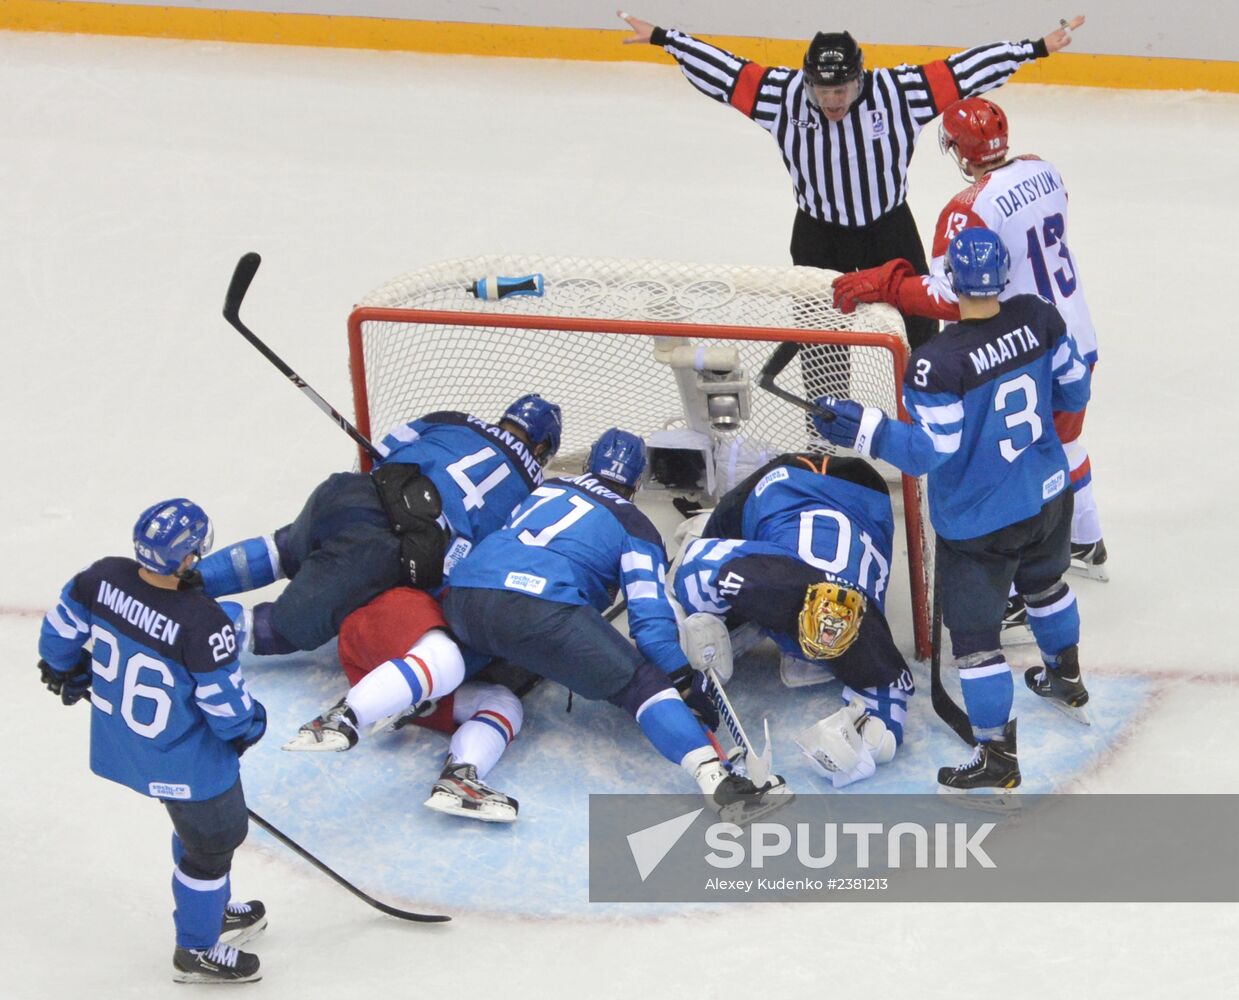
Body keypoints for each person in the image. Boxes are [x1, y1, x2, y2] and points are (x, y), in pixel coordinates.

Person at [618, 11, 1085, 351]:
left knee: (921, 329)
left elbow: (963, 70)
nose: (832, 101)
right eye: (823, 90)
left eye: (840, 89)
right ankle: (828, 432)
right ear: (808, 83)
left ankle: (922, 407)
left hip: (889, 229)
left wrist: (1034, 48)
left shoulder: (898, 93)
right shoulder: (783, 96)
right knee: (821, 339)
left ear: (859, 79)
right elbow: (728, 73)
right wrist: (665, 38)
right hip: (818, 238)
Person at [812, 228, 1091, 792]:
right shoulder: (1039, 317)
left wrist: (866, 428)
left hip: (981, 525)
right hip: (1049, 496)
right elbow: (1075, 393)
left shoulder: (937, 363)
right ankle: (1066, 678)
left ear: (952, 281)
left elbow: (927, 451)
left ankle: (997, 758)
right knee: (1046, 587)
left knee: (977, 644)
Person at [442, 428, 790, 819]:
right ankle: (721, 786)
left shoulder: (546, 488)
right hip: (546, 614)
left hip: (465, 597)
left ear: (589, 463)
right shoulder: (634, 525)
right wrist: (681, 679)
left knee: (451, 664)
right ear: (638, 483)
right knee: (644, 686)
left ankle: (387, 710)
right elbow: (649, 623)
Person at [832, 95, 1108, 590]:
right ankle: (1087, 539)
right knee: (1063, 439)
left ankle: (1032, 574)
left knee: (1021, 457)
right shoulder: (1045, 170)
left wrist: (892, 285)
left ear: (961, 150)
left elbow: (952, 294)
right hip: (1075, 331)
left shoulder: (967, 209)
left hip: (1029, 346)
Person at [37, 499, 268, 984]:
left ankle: (206, 907)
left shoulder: (100, 578)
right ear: (187, 559)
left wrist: (65, 670)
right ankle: (197, 949)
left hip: (127, 746)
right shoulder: (204, 623)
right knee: (213, 842)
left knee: (195, 834)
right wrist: (251, 727)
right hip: (187, 762)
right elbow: (228, 711)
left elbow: (58, 634)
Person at [196, 394, 562, 655]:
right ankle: (181, 624)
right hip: (379, 547)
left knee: (284, 548)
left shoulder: (453, 419)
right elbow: (494, 558)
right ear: (543, 449)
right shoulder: (536, 493)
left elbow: (382, 451)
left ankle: (182, 580)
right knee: (277, 630)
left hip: (347, 494)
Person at [671, 453, 914, 788]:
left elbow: (886, 727)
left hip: (865, 491)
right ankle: (706, 524)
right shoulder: (765, 577)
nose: (820, 647)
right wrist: (705, 627)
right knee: (701, 583)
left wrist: (865, 745)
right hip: (778, 483)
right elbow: (694, 564)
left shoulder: (864, 627)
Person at [283, 585, 528, 824]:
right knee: (446, 659)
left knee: (504, 702)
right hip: (398, 615)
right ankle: (344, 716)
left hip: (425, 682)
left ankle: (460, 777)